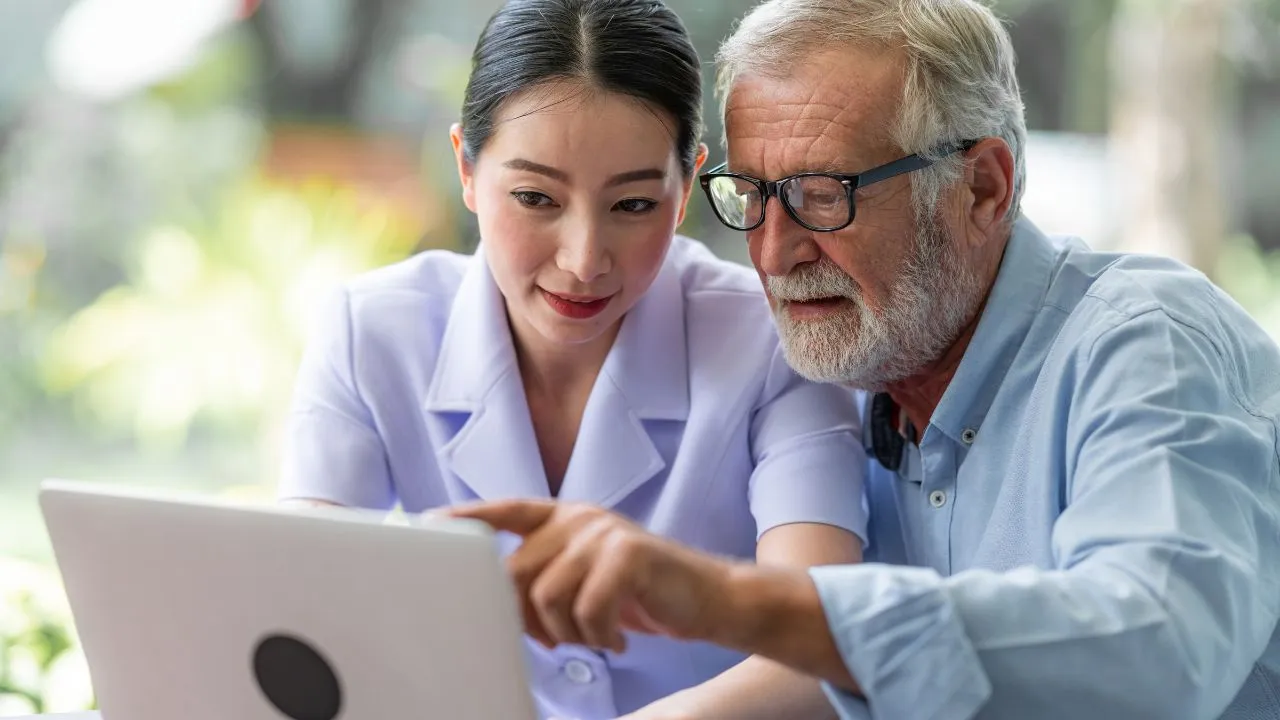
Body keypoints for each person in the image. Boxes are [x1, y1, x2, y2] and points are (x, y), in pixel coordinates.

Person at [448, 0, 1280, 718]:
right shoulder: (848, 381)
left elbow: (1159, 653)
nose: (773, 254)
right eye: (754, 196)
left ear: (983, 187)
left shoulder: (1146, 343)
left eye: (824, 195)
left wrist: (726, 601)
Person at [278, 1, 868, 718]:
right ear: (466, 167)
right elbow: (297, 608)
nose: (584, 261)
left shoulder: (771, 342)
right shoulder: (371, 331)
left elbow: (820, 642)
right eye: (535, 197)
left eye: (633, 205)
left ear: (686, 186)